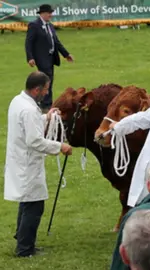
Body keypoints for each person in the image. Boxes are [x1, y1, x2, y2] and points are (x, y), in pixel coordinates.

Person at [4, 71, 73, 257]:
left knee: (27, 202)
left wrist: (46, 117)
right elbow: (34, 140)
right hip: (27, 163)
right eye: (45, 89)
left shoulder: (18, 101)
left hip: (19, 159)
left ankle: (22, 239)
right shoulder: (28, 109)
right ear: (36, 89)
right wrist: (60, 146)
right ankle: (25, 249)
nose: (46, 93)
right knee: (34, 205)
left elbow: (29, 124)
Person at [25, 4, 73, 113]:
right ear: (42, 13)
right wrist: (30, 57)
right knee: (47, 80)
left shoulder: (50, 26)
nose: (50, 15)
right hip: (41, 58)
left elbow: (56, 42)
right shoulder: (34, 25)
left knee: (49, 81)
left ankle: (45, 103)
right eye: (49, 13)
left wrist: (66, 54)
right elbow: (29, 42)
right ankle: (46, 106)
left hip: (51, 58)